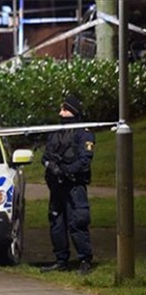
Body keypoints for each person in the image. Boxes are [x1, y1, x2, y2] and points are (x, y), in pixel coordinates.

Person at [40, 95, 95, 275]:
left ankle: (85, 260)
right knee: (57, 222)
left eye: (64, 110)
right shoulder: (56, 131)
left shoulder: (83, 133)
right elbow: (46, 155)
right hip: (57, 186)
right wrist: (52, 167)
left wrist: (65, 170)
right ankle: (61, 260)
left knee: (78, 221)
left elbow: (84, 161)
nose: (60, 113)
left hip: (74, 185)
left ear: (73, 111)